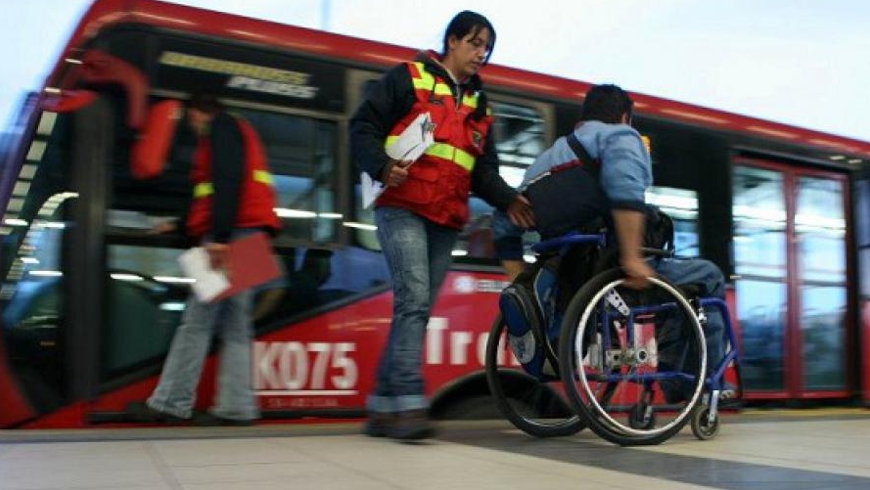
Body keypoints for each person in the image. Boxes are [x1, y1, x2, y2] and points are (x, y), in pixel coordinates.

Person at [349, 10, 535, 440]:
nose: (481, 53)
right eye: (474, 43)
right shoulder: (408, 78)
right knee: (414, 301)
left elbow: (482, 171)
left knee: (416, 309)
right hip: (401, 208)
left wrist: (508, 199)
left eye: (487, 47)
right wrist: (382, 166)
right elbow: (362, 127)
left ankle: (382, 407)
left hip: (446, 219)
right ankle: (410, 404)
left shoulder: (480, 104)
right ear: (452, 41)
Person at [493, 84, 727, 398]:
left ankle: (682, 383)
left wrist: (520, 278)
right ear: (625, 117)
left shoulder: (542, 164)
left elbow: (502, 224)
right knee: (708, 277)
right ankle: (698, 386)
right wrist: (632, 259)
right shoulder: (621, 137)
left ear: (583, 119)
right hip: (612, 276)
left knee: (673, 288)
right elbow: (626, 194)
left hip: (569, 285)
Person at [128, 93, 281, 426]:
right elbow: (219, 191)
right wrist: (182, 224)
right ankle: (237, 407)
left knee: (197, 322)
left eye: (190, 120)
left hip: (232, 236)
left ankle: (171, 402)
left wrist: (220, 239)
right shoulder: (240, 129)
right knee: (236, 326)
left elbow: (227, 181)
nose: (192, 128)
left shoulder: (222, 126)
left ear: (197, 112)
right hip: (251, 234)